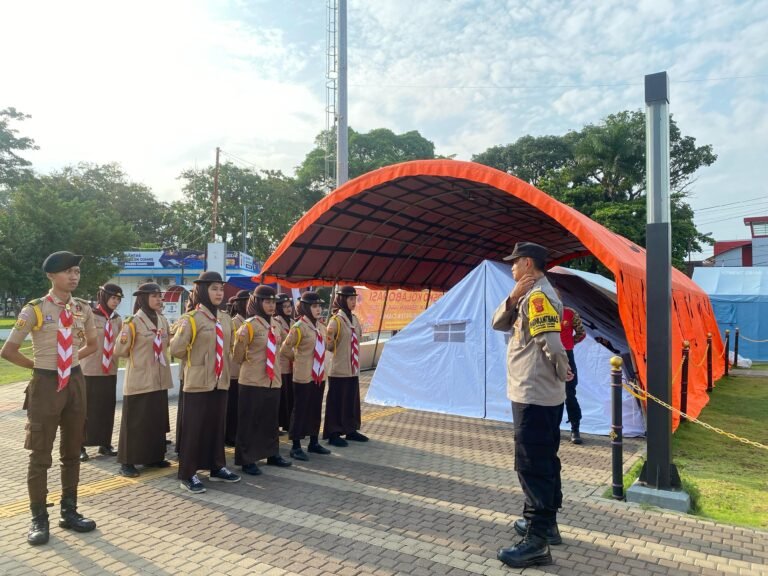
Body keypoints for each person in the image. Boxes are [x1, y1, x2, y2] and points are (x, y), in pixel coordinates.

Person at [0, 251, 98, 546]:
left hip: (75, 383)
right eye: (68, 271)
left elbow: (92, 344)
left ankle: (69, 511)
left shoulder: (83, 308)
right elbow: (9, 350)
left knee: (72, 451)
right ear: (51, 276)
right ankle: (38, 518)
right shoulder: (35, 309)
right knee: (40, 454)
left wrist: (70, 363)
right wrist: (40, 367)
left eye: (77, 271)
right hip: (45, 384)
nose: (74, 276)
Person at [491, 242, 572, 569]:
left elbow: (551, 342)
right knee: (544, 459)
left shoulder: (538, 296)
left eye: (514, 263)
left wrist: (561, 368)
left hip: (533, 392)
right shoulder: (528, 293)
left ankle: (536, 542)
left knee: (531, 464)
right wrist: (512, 297)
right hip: (541, 392)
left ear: (527, 263)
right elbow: (499, 322)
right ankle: (546, 524)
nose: (511, 269)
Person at [170, 271, 240, 493]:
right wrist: (199, 359)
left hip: (221, 380)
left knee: (216, 426)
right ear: (202, 291)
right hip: (198, 381)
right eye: (214, 289)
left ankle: (217, 467)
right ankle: (188, 474)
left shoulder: (226, 319)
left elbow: (230, 348)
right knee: (194, 429)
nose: (219, 293)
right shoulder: (190, 319)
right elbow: (176, 349)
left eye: (221, 289)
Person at [113, 283, 174, 477]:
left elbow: (168, 343)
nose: (158, 299)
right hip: (140, 378)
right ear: (142, 298)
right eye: (154, 296)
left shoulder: (163, 320)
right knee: (135, 422)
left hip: (159, 378)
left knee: (154, 421)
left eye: (159, 296)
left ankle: (154, 456)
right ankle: (127, 461)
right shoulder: (132, 322)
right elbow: (120, 350)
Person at [233, 286, 292, 475]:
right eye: (267, 302)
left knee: (270, 420)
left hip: (272, 380)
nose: (271, 305)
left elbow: (282, 345)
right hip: (252, 380)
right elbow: (238, 355)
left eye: (273, 302)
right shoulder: (248, 326)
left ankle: (271, 453)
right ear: (257, 303)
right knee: (250, 421)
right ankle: (246, 459)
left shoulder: (275, 324)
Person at [279, 291, 331, 461]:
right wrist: (299, 360)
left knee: (315, 409)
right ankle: (295, 446)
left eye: (319, 306)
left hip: (319, 375)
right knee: (300, 410)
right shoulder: (299, 327)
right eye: (314, 306)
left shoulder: (321, 326)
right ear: (306, 308)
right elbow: (285, 349)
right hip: (303, 376)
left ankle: (314, 442)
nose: (318, 309)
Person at [79, 283, 124, 461]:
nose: (115, 302)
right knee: (86, 409)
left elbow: (121, 343)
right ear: (103, 297)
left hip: (109, 370)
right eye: (113, 298)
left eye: (118, 299)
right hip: (89, 369)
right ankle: (80, 445)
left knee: (106, 408)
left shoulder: (117, 319)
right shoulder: (89, 315)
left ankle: (104, 443)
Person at [323, 286, 368, 447]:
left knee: (351, 400)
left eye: (354, 299)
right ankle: (333, 433)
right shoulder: (335, 321)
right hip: (339, 369)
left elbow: (359, 337)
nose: (353, 302)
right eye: (350, 299)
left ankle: (350, 429)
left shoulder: (354, 319)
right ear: (342, 300)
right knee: (336, 402)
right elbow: (329, 345)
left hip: (353, 368)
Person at [556, 291, 586, 444]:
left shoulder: (570, 313)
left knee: (569, 393)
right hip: (547, 356)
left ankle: (575, 428)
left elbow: (581, 333)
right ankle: (552, 428)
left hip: (567, 355)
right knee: (548, 393)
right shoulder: (542, 314)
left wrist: (570, 343)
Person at [225, 290, 250, 447]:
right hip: (234, 370)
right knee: (233, 406)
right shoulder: (234, 322)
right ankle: (230, 435)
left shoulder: (249, 322)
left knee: (241, 406)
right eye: (247, 302)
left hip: (244, 371)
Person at [274, 293, 295, 434]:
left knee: (290, 396)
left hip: (292, 366)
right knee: (281, 397)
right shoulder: (276, 322)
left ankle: (288, 423)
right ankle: (278, 424)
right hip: (281, 365)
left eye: (289, 306)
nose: (288, 309)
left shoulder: (293, 322)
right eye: (285, 306)